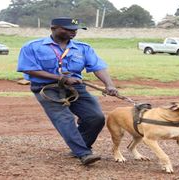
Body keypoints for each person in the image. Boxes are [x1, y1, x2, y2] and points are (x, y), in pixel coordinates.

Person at [17, 17, 118, 165]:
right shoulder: (32, 47)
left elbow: (97, 67)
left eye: (75, 29)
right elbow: (28, 68)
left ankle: (80, 145)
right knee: (64, 118)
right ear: (53, 28)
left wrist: (110, 85)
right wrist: (61, 78)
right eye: (68, 29)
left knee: (95, 117)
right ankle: (84, 153)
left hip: (75, 87)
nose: (73, 32)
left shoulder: (83, 48)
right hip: (46, 88)